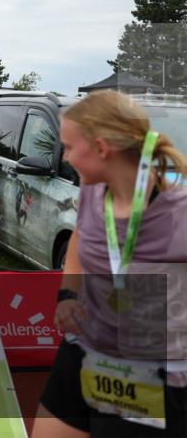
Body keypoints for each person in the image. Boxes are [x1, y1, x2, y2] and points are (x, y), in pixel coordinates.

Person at [33, 90, 187, 438]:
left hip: (147, 372)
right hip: (84, 349)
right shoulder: (92, 191)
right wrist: (68, 295)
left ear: (102, 148)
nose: (66, 156)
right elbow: (80, 238)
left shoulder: (178, 211)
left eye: (70, 147)